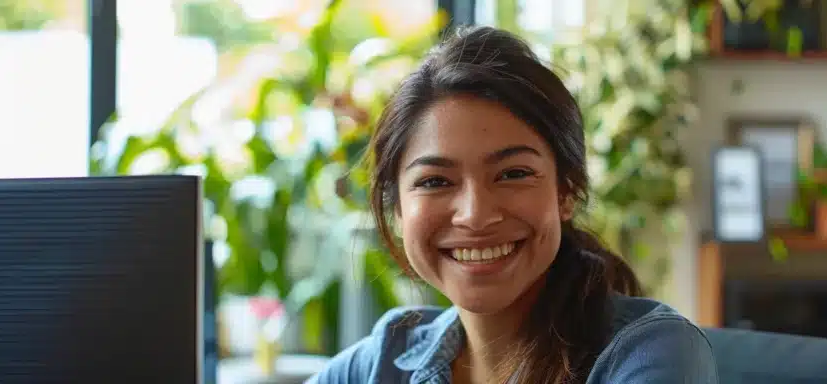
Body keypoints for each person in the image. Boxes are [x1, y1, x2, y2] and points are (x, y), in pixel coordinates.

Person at [307, 26, 717, 384]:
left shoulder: (648, 353)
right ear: (397, 210)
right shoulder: (385, 360)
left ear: (566, 191)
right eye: (434, 181)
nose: (475, 214)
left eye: (513, 174)